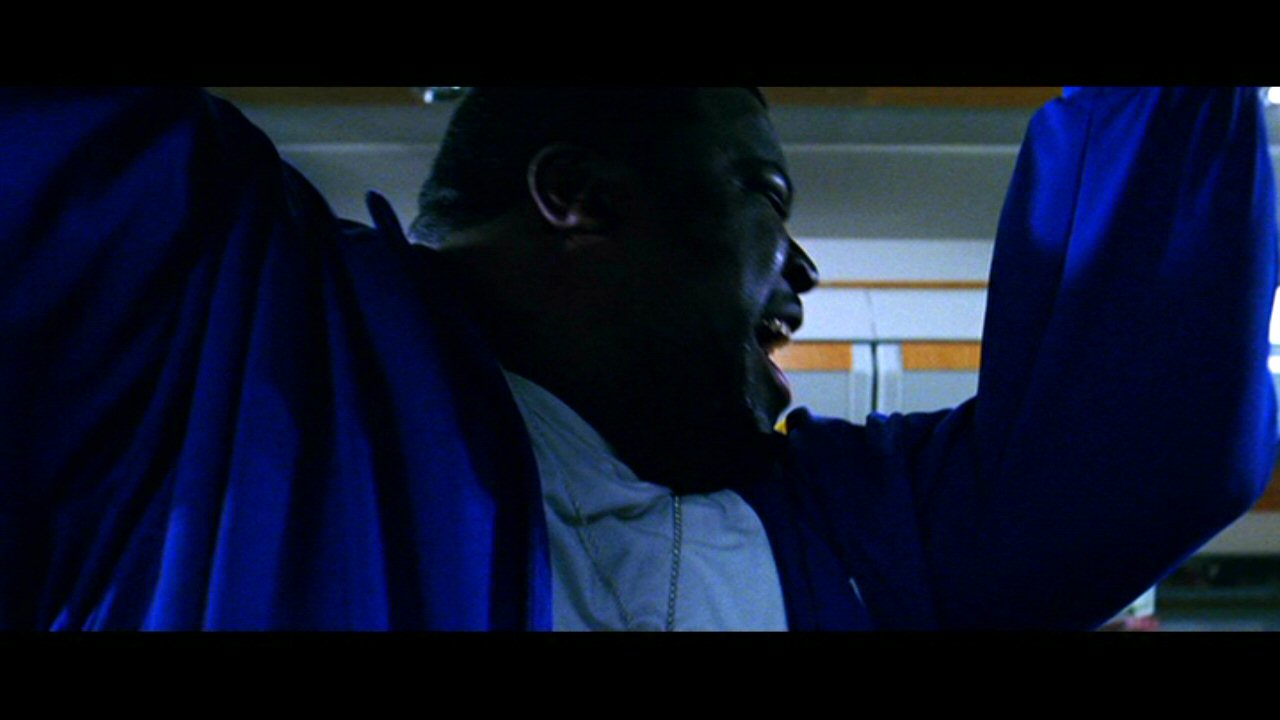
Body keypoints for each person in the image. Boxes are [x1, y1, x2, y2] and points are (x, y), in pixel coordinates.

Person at [0, 86, 1274, 630]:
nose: (802, 272)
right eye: (764, 197)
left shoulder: (849, 526)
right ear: (578, 197)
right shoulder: (225, 326)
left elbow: (1139, 448)